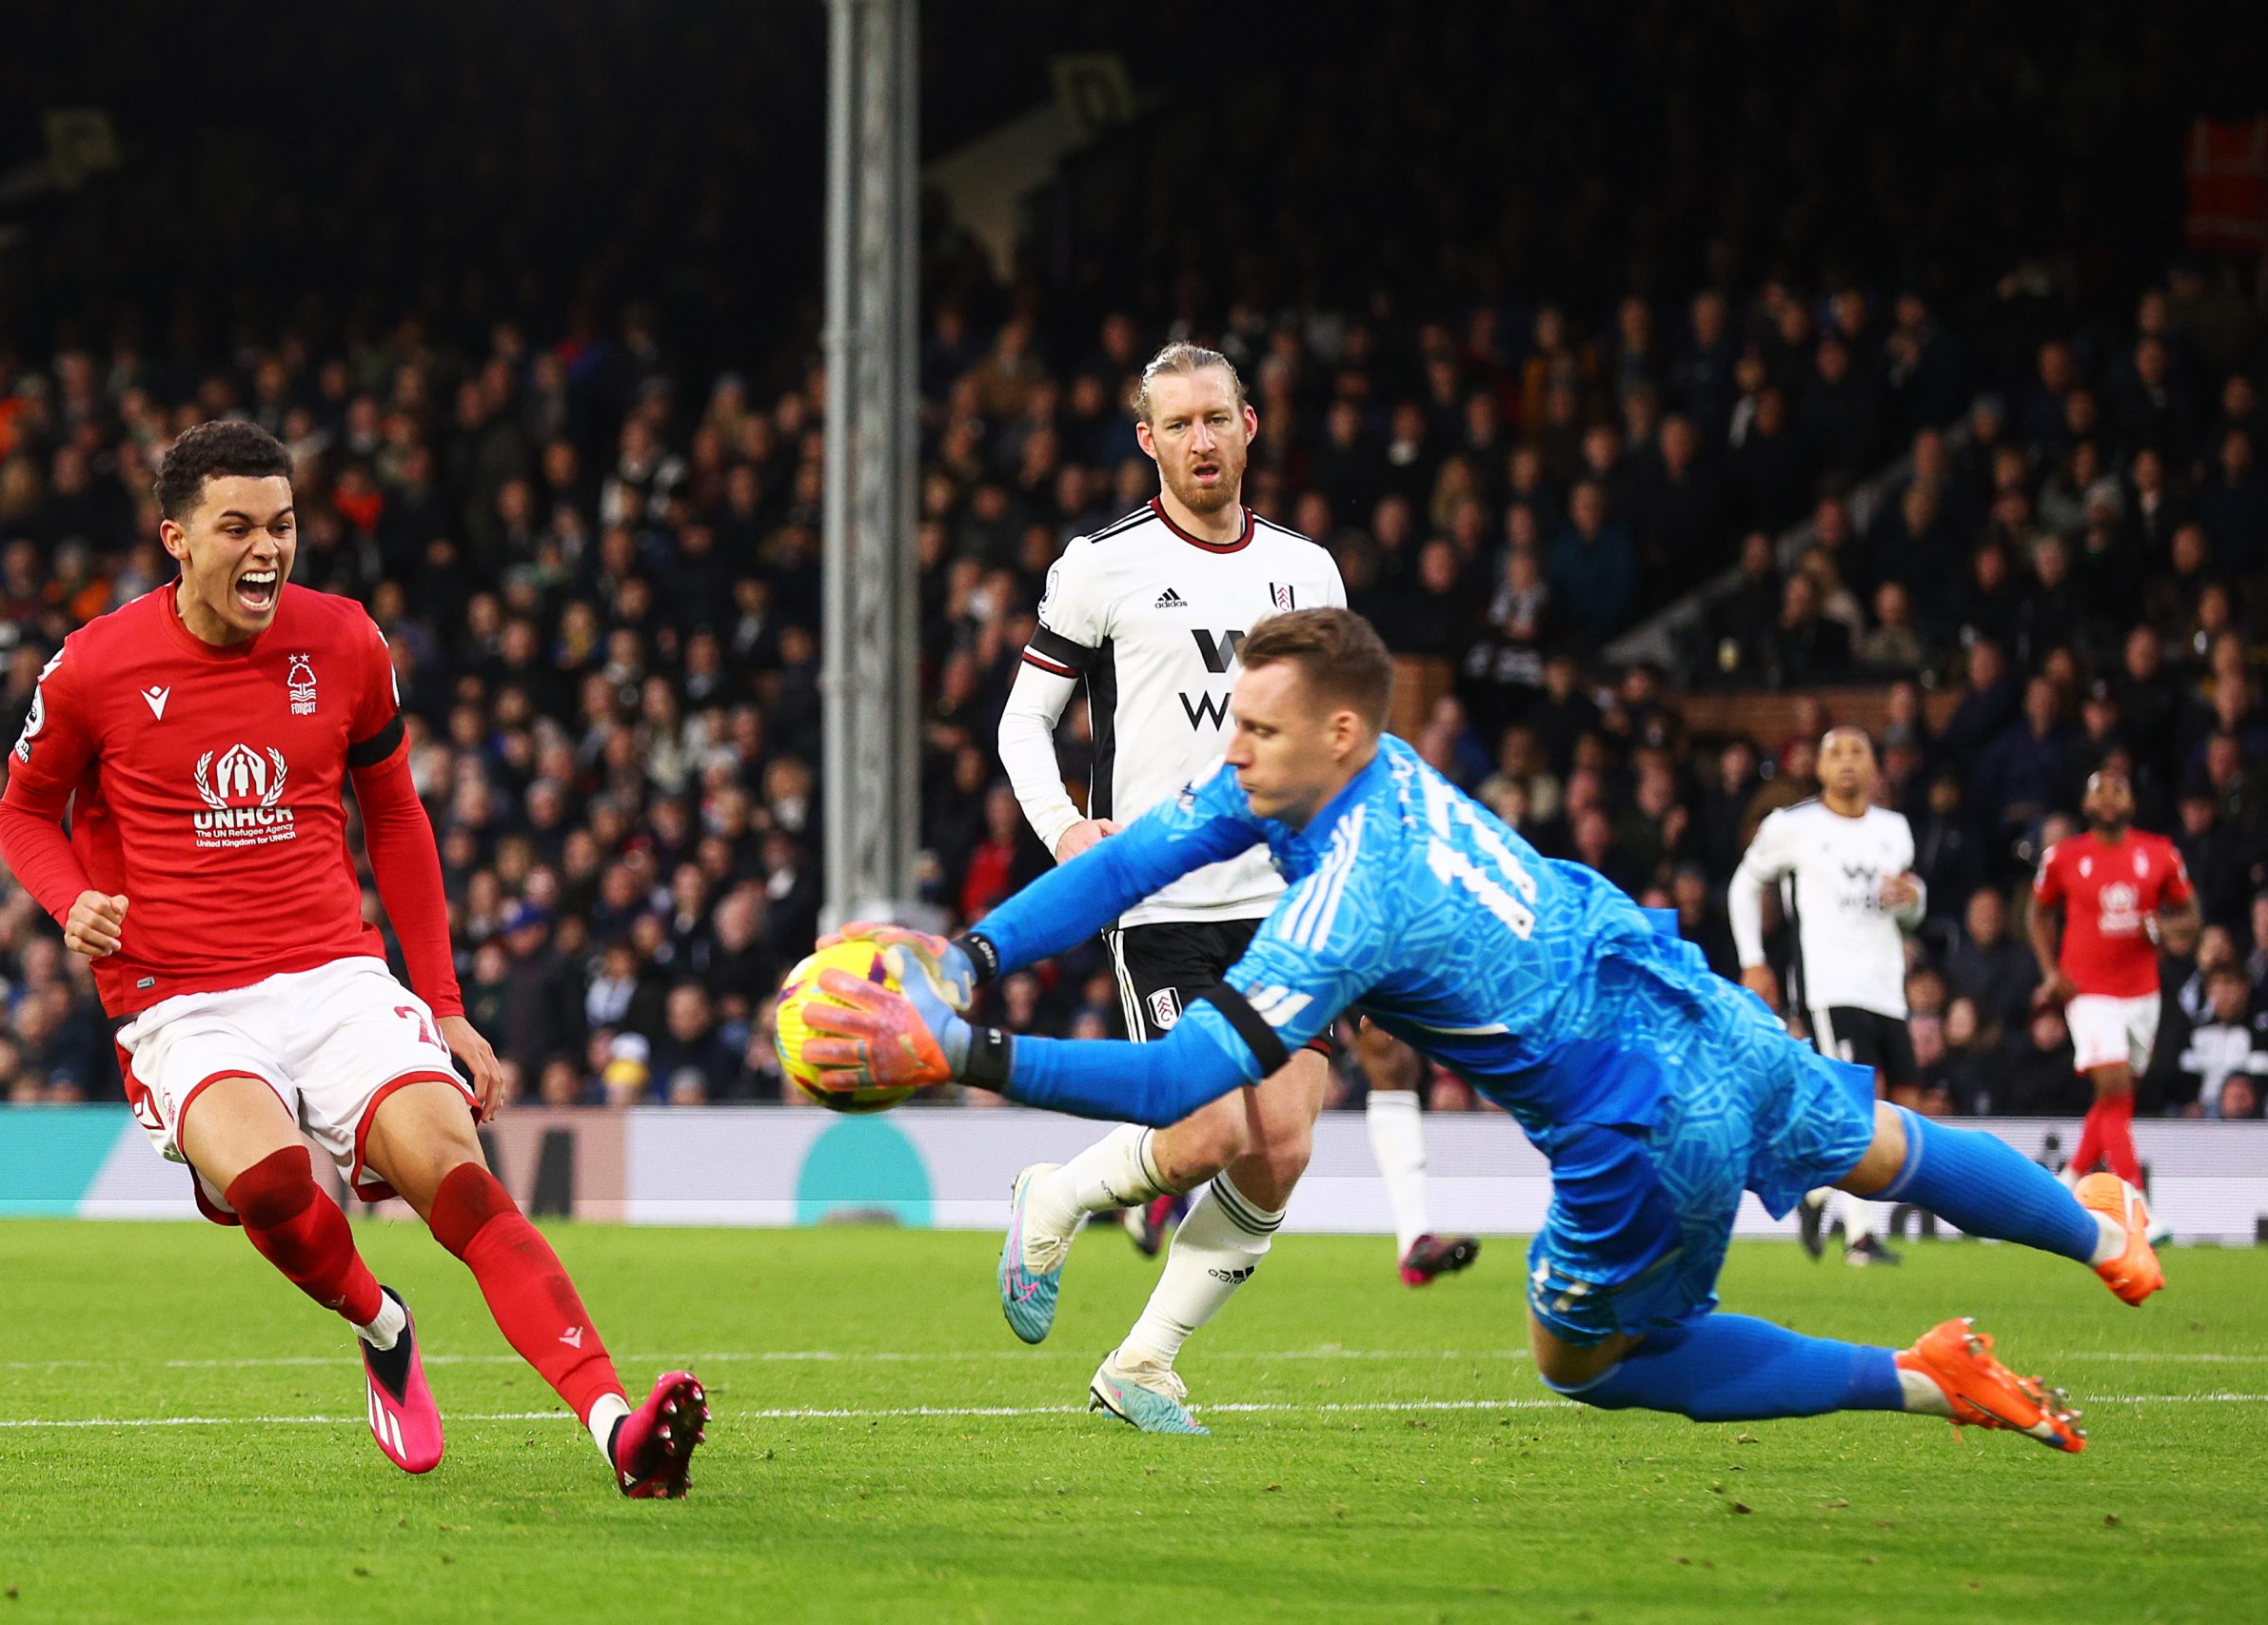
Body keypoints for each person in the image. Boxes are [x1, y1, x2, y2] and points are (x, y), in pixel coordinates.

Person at [806, 608, 2160, 1450]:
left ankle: (1922, 1376)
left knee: (1587, 1358)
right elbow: (1125, 861)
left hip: (1640, 1123)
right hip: (1695, 1006)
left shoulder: (1351, 899)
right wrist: (975, 952)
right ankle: (2106, 1231)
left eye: (1256, 731)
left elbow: (1178, 1073)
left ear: (1333, 731)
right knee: (1888, 1145)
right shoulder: (1358, 767)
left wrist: (966, 1054)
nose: (1233, 754)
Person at [0, 421, 705, 1498]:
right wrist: (71, 899)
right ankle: (382, 1325)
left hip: (335, 978)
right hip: (182, 1000)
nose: (267, 550)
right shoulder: (94, 665)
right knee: (275, 1179)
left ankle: (615, 1427)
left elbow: (399, 821)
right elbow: (23, 812)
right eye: (238, 528)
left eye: (282, 525)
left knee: (460, 1180)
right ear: (176, 538)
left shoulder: (347, 644)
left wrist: (447, 1006)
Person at [992, 343, 1474, 1435]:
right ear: (1146, 441)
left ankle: (1144, 1363)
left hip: (1291, 903)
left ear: (1250, 425)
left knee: (1284, 1143)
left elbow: (1345, 743)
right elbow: (1024, 720)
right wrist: (1067, 830)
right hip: (1164, 900)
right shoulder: (1099, 564)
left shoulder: (1310, 572)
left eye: (1218, 419)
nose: (1201, 441)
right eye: (1179, 425)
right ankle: (1055, 1195)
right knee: (1208, 1131)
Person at [1726, 726, 1925, 1266]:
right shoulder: (1793, 827)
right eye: (1835, 752)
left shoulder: (1893, 829)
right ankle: (1860, 1237)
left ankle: (1814, 1193)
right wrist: (1753, 960)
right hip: (1828, 985)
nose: (1846, 762)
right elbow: (1744, 884)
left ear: (1874, 766)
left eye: (1858, 751)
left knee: (1903, 1101)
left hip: (1886, 986)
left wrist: (1914, 898)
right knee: (1856, 1105)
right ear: (1817, 767)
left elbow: (1910, 907)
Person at [2026, 769, 2197, 1241]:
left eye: (2117, 789)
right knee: (2116, 1085)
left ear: (2132, 801)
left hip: (2142, 991)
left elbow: (2191, 917)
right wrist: (2049, 971)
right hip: (2087, 991)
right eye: (2098, 789)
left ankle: (2069, 1180)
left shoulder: (2160, 853)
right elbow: (2036, 911)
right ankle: (2135, 1206)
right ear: (2085, 802)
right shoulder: (2064, 857)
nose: (2107, 798)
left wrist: (2163, 929)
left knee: (2114, 1098)